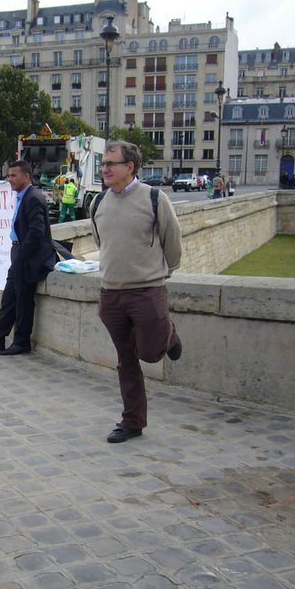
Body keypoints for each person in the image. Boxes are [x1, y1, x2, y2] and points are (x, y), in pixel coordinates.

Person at [92, 140, 183, 444]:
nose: (104, 169)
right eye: (103, 164)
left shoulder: (155, 199)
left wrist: (160, 273)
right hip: (111, 295)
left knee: (150, 352)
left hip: (147, 292)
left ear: (129, 167)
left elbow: (173, 243)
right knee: (126, 360)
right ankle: (132, 421)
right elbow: (102, 243)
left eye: (110, 164)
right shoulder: (98, 203)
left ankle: (168, 335)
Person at [0, 160, 56, 356]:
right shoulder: (24, 196)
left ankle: (21, 342)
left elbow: (37, 232)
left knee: (23, 300)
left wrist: (21, 257)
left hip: (28, 258)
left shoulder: (33, 197)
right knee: (10, 298)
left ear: (26, 177)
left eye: (13, 175)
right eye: (8, 175)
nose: (9, 179)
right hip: (19, 254)